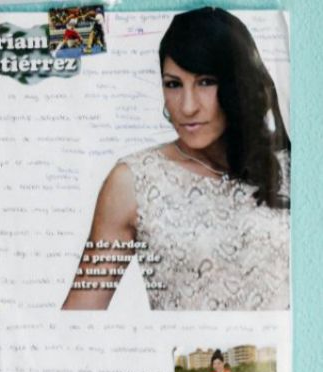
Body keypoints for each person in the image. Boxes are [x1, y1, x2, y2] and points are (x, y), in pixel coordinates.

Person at [62, 7, 290, 311]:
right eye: (173, 84)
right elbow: (78, 320)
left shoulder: (290, 166)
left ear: (238, 84)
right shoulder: (135, 181)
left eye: (205, 82)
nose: (187, 106)